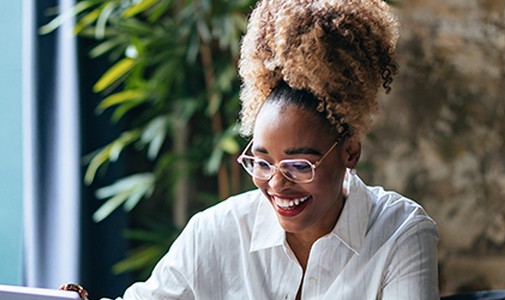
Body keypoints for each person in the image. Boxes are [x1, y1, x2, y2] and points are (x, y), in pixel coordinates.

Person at [101, 0, 439, 298]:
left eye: (299, 165)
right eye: (262, 162)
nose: (276, 184)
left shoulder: (399, 233)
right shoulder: (215, 232)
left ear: (350, 151)